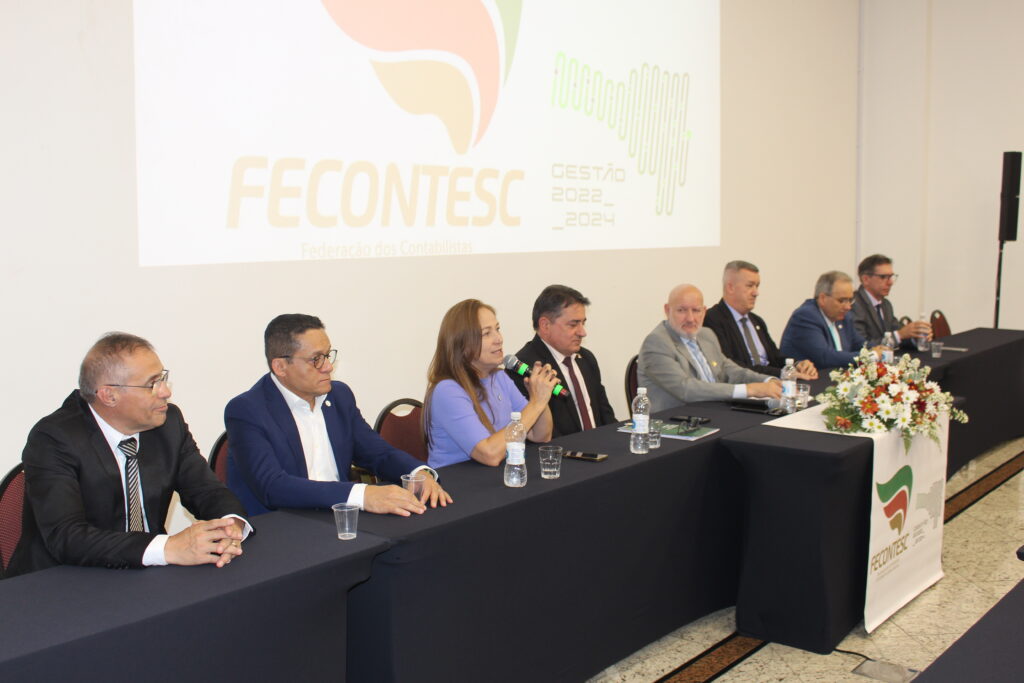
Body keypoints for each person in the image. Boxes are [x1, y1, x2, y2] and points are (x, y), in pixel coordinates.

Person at [8, 333, 249, 578]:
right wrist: (169, 547)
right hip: (63, 579)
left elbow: (206, 491)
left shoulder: (168, 423)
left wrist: (229, 526)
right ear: (109, 395)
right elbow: (67, 537)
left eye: (163, 378)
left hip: (146, 571)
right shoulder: (54, 438)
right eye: (152, 384)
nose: (165, 391)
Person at [225, 314, 450, 517]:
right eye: (316, 359)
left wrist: (417, 473)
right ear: (281, 367)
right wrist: (361, 495)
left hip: (340, 519)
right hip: (283, 525)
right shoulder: (247, 411)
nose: (328, 367)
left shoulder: (339, 396)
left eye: (327, 355)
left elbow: (377, 453)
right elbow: (273, 487)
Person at [425, 299, 557, 468]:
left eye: (497, 329)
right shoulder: (447, 390)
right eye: (486, 333)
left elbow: (541, 435)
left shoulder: (499, 377)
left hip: (497, 475)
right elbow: (490, 454)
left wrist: (541, 397)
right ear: (462, 344)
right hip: (456, 481)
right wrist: (536, 403)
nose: (499, 339)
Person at [638, 284, 782, 411]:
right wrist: (749, 390)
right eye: (682, 310)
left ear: (704, 311)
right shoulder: (657, 342)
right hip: (676, 421)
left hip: (715, 412)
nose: (690, 318)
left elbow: (730, 369)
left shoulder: (706, 334)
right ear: (667, 310)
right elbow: (686, 389)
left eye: (696, 310)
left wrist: (768, 381)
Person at [508, 285, 616, 437]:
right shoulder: (525, 369)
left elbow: (606, 416)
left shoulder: (586, 358)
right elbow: (539, 434)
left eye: (583, 323)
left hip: (601, 445)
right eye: (573, 324)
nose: (582, 332)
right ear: (545, 325)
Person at [704, 260, 818, 379]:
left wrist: (796, 365)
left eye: (757, 286)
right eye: (750, 286)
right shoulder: (712, 320)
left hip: (773, 382)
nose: (756, 293)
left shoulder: (756, 321)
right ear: (730, 287)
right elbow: (733, 367)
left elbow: (775, 357)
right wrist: (782, 374)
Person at [780, 271, 885, 370]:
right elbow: (825, 357)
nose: (848, 307)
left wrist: (880, 349)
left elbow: (860, 344)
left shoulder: (844, 317)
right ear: (822, 299)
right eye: (842, 300)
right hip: (811, 379)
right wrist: (871, 356)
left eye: (850, 300)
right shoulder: (806, 316)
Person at [851, 254, 931, 348]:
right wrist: (899, 335)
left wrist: (916, 336)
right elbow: (862, 346)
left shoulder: (886, 304)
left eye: (891, 276)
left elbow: (899, 333)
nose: (890, 282)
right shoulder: (854, 304)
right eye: (883, 277)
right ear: (866, 279)